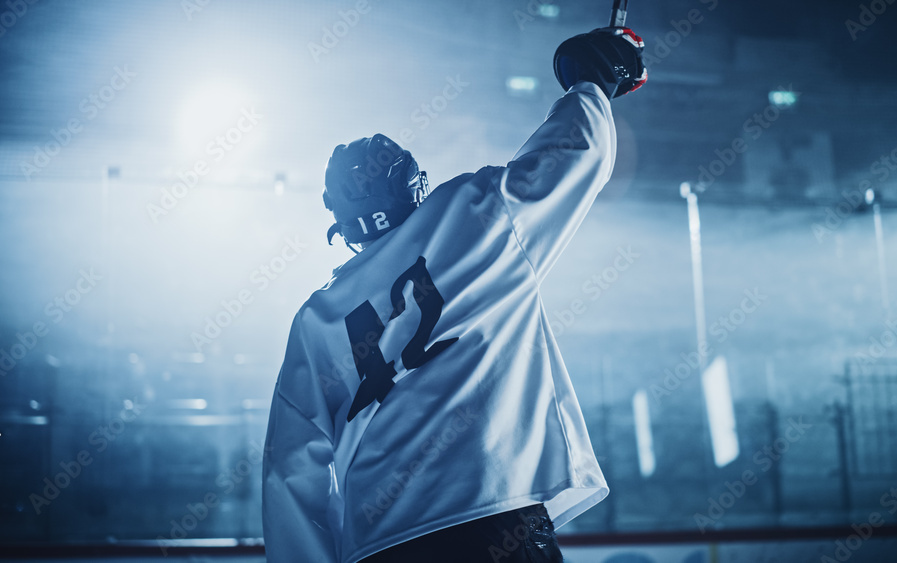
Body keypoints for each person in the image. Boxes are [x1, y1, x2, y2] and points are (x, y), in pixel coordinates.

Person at [263, 26, 647, 563]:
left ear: (342, 223)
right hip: (493, 514)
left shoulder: (317, 317)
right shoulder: (472, 211)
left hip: (382, 542)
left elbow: (290, 468)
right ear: (413, 187)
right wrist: (592, 82)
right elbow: (576, 151)